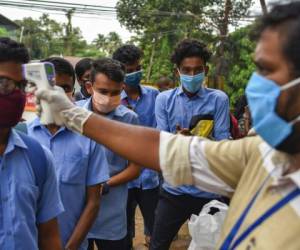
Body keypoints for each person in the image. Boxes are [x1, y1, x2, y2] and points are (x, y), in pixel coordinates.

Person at [36, 2, 300, 249]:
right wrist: (73, 114)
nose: (256, 84)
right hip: (172, 192)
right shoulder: (261, 154)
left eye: (266, 69)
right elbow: (165, 148)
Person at [153, 39, 230, 249]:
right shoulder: (163, 100)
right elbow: (161, 141)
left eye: (197, 70)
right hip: (174, 190)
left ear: (206, 70)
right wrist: (177, 141)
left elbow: (224, 144)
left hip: (208, 191)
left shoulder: (219, 100)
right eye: (187, 70)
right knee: (158, 244)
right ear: (177, 71)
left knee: (212, 244)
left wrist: (196, 142)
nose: (192, 75)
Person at [28, 57, 109, 250]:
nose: (58, 94)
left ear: (73, 92)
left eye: (64, 88)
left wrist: (71, 246)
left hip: (72, 243)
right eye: (51, 87)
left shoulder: (90, 137)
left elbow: (93, 202)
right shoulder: (22, 135)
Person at [0, 37, 64, 249]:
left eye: (21, 85)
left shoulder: (38, 156)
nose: (17, 94)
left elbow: (49, 236)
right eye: (5, 83)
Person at [80, 58, 140, 250]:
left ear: (122, 88)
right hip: (77, 212)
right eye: (103, 91)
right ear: (90, 87)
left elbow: (135, 168)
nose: (108, 98)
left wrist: (105, 184)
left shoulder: (129, 119)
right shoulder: (74, 115)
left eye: (115, 93)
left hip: (112, 212)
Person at [113, 45, 160, 248]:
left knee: (155, 229)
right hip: (122, 177)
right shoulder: (112, 99)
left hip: (149, 176)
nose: (133, 73)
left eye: (136, 68)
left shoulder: (154, 96)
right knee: (123, 231)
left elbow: (160, 131)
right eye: (128, 70)